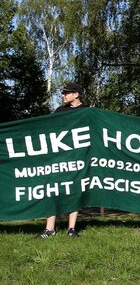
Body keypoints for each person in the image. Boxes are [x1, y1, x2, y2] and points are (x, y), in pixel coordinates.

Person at [38, 82, 88, 239]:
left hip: (78, 158)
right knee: (53, 190)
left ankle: (71, 228)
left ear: (76, 94)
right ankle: (49, 229)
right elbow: (51, 130)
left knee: (74, 191)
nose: (63, 95)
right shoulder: (60, 111)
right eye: (63, 93)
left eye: (67, 93)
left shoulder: (87, 112)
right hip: (59, 158)